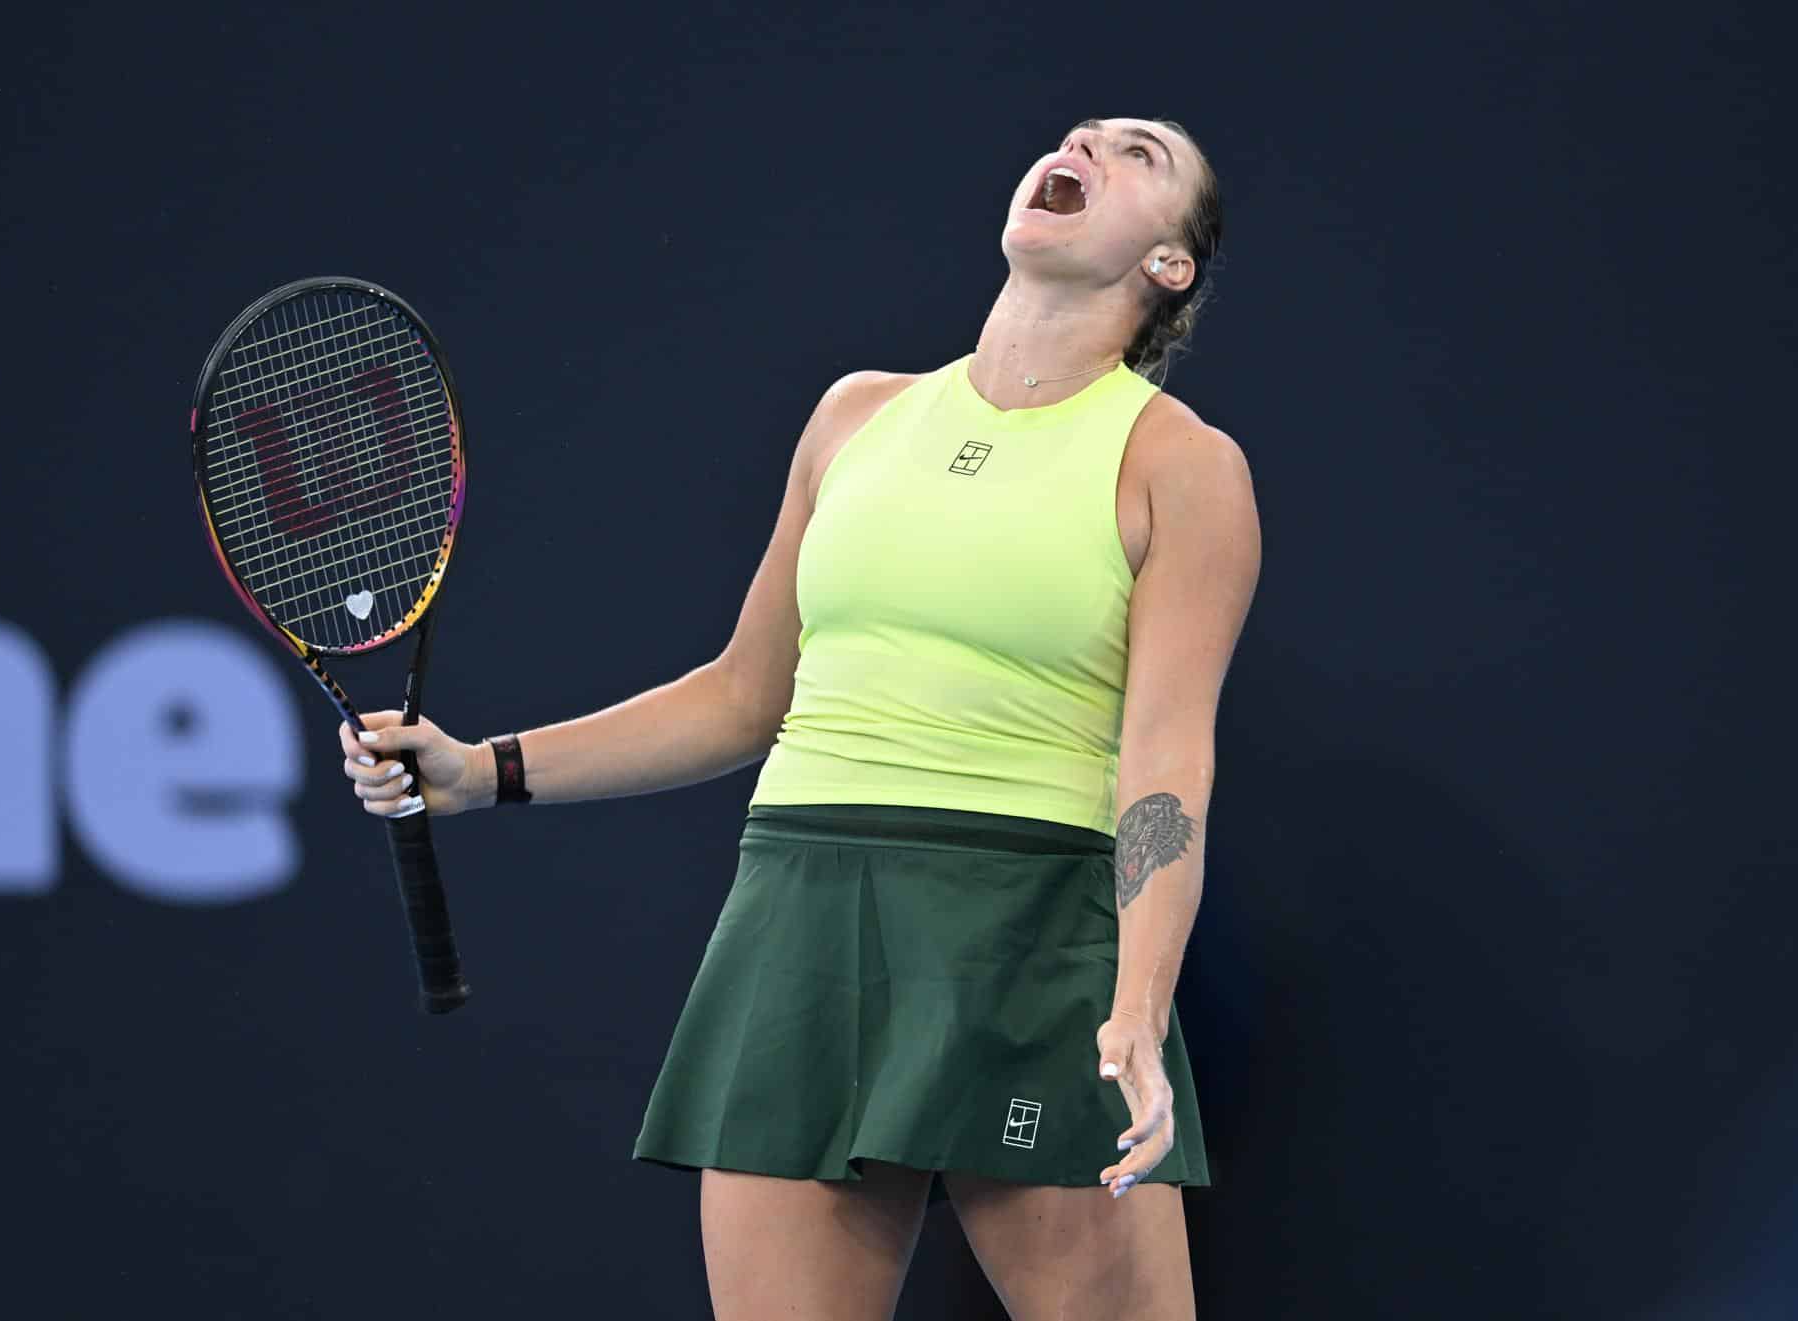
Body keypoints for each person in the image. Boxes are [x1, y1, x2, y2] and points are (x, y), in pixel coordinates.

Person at [336, 116, 1260, 1321]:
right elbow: (742, 693)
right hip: (803, 919)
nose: (1088, 140)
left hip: (1031, 934)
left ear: (1169, 266)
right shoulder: (855, 419)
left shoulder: (1182, 465)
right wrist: (482, 770)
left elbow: (1164, 766)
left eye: (1142, 154)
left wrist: (1135, 1006)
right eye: (1085, 133)